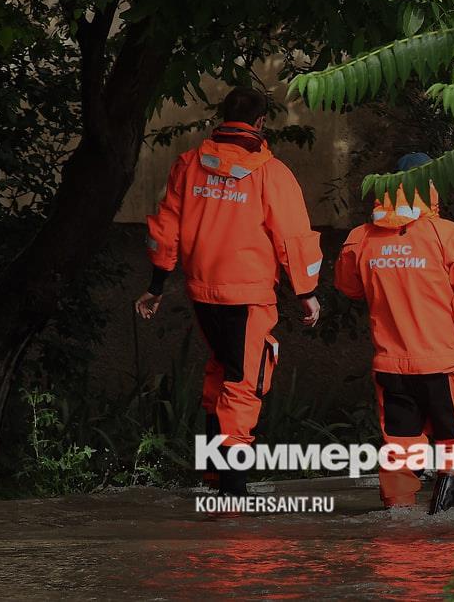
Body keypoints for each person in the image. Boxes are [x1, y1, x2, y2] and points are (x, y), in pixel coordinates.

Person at [134, 86, 322, 497]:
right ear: (260, 122)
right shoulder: (272, 173)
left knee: (221, 373)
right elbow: (293, 237)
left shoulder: (188, 164)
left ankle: (215, 478)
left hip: (203, 293)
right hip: (248, 296)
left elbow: (166, 226)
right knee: (242, 384)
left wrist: (156, 285)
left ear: (223, 116)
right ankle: (232, 495)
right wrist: (306, 292)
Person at [334, 153, 454, 514]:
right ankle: (443, 527)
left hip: (391, 369)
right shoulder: (449, 236)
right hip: (445, 367)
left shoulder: (361, 238)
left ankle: (398, 525)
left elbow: (348, 287)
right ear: (431, 186)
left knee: (401, 451)